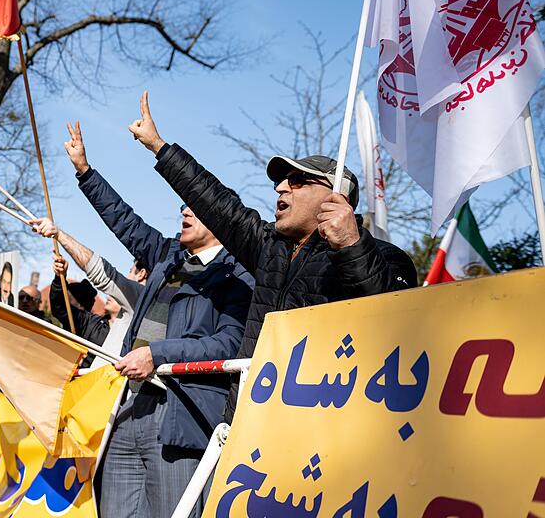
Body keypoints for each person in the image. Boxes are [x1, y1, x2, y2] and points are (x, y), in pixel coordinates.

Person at [126, 92, 417, 416]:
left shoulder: (383, 256)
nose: (280, 188)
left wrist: (351, 246)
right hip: (250, 416)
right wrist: (158, 146)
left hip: (319, 424)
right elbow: (216, 202)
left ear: (337, 196)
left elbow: (394, 318)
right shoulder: (270, 246)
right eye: (280, 182)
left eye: (296, 181)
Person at [62, 120, 254, 518]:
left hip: (180, 415)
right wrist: (85, 171)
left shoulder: (239, 277)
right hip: (129, 408)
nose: (183, 209)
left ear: (220, 220)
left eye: (194, 206)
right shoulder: (165, 255)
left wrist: (158, 355)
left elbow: (227, 344)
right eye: (183, 204)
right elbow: (124, 221)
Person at [29, 217, 147, 361]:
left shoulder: (141, 330)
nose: (110, 295)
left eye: (117, 295)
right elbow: (60, 308)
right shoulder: (91, 324)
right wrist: (60, 279)